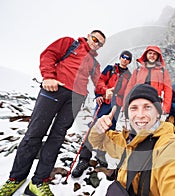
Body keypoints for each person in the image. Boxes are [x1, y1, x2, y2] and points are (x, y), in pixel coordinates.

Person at [0, 30, 106, 196]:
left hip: (75, 98)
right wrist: (48, 76)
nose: (96, 43)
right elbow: (48, 54)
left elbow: (99, 82)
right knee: (34, 133)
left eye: (100, 43)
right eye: (95, 39)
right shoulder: (70, 43)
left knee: (57, 137)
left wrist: (105, 91)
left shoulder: (94, 64)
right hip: (54, 89)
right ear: (88, 36)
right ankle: (16, 178)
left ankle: (39, 181)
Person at [88, 84, 175, 195]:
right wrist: (98, 128)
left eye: (147, 107)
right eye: (134, 108)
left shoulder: (168, 144)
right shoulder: (126, 139)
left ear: (158, 112)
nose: (140, 115)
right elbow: (96, 142)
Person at [71, 50, 132, 178]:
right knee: (95, 127)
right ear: (120, 58)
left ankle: (100, 154)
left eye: (128, 59)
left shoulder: (129, 75)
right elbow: (100, 82)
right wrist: (101, 94)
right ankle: (84, 158)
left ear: (129, 61)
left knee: (109, 130)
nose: (125, 60)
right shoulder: (110, 69)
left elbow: (127, 92)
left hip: (117, 104)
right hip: (105, 101)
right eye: (123, 57)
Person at [123, 45, 172, 115]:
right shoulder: (138, 70)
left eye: (155, 54)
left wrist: (165, 108)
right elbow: (129, 88)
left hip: (154, 103)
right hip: (138, 102)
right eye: (150, 53)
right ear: (146, 55)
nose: (152, 55)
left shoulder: (163, 71)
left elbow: (168, 90)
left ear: (158, 56)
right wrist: (125, 105)